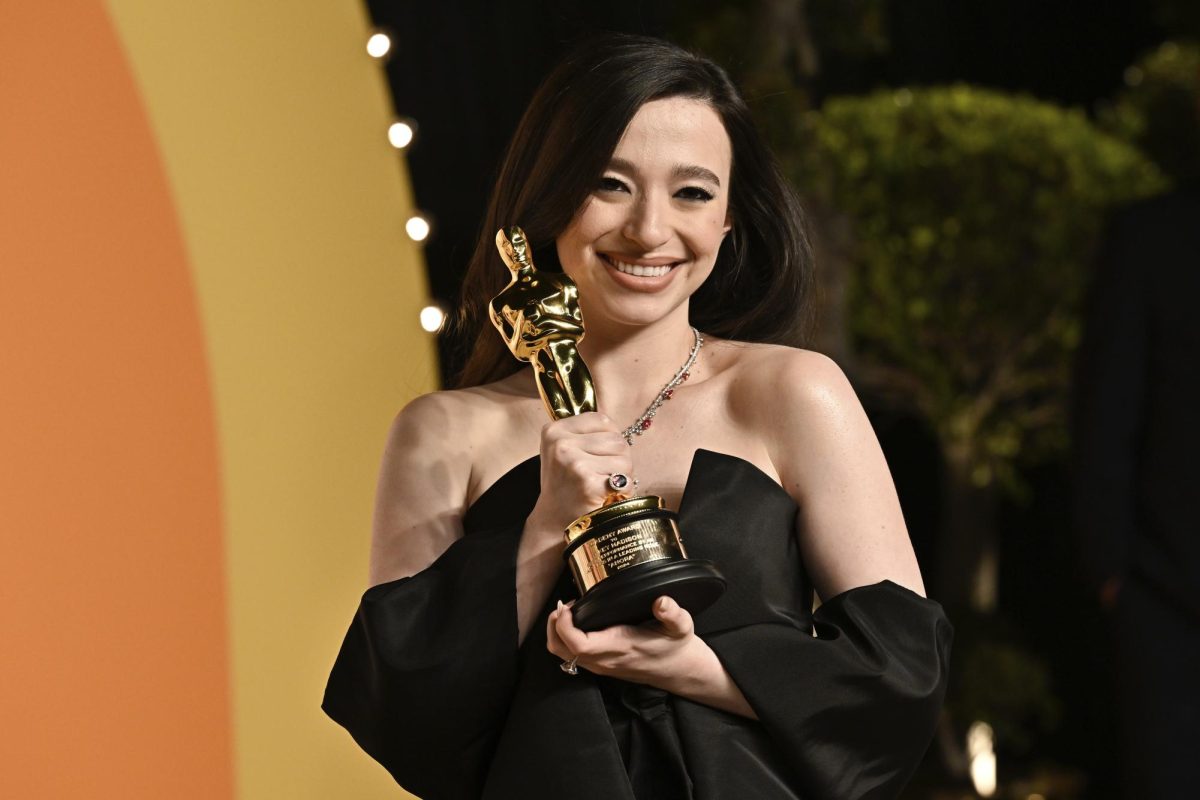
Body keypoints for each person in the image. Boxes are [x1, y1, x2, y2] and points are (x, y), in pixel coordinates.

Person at [323, 34, 952, 800]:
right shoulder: (443, 432)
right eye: (610, 185)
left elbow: (901, 680)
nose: (650, 230)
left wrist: (703, 671)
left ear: (729, 220)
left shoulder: (793, 393)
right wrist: (547, 522)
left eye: (692, 193)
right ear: (546, 202)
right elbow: (406, 716)